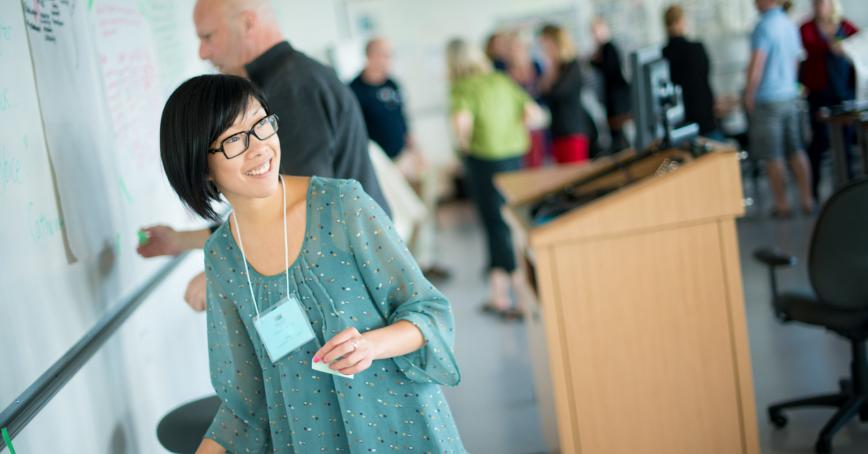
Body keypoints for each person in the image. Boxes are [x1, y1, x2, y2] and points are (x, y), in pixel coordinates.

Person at [159, 74, 464, 453]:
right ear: (200, 164)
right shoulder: (222, 259)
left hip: (399, 431)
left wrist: (371, 345)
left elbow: (431, 314)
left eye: (261, 124)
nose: (259, 148)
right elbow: (245, 403)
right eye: (234, 139)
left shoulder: (341, 206)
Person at [137, 0, 388, 311]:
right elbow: (270, 210)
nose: (203, 53)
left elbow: (299, 208)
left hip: (354, 281)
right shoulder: (292, 75)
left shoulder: (292, 87)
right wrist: (183, 241)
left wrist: (229, 271)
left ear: (247, 23)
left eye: (208, 37)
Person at [447, 38, 539, 320]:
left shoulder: (463, 87)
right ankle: (498, 294)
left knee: (496, 225)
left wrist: (462, 144)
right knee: (512, 220)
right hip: (514, 156)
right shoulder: (500, 79)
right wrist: (511, 130)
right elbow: (533, 114)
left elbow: (461, 122)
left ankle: (521, 299)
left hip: (485, 161)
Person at [349, 37, 451, 281]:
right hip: (380, 164)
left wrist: (417, 151)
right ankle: (403, 267)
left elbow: (404, 121)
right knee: (396, 215)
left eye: (389, 55)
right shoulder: (355, 89)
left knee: (422, 209)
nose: (387, 60)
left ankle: (424, 260)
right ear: (369, 56)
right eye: (382, 55)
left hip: (404, 156)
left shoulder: (393, 84)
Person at [745, 0, 815, 217]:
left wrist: (748, 94)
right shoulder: (788, 23)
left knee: (773, 154)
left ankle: (782, 204)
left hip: (768, 98)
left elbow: (757, 63)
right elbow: (796, 61)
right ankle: (807, 199)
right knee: (796, 150)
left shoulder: (763, 26)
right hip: (789, 95)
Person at [799, 0, 860, 200]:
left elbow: (857, 42)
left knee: (846, 139)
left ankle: (849, 186)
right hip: (819, 92)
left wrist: (841, 44)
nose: (820, 7)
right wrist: (832, 42)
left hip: (842, 91)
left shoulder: (843, 25)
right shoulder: (806, 28)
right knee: (819, 140)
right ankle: (814, 188)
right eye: (817, 4)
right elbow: (811, 48)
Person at [662, 5, 721, 139]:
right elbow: (705, 76)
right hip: (704, 113)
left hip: (680, 119)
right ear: (680, 22)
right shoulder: (697, 48)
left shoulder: (663, 55)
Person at [538, 24, 595, 163]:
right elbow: (542, 94)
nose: (544, 49)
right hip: (557, 132)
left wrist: (550, 70)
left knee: (576, 175)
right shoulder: (553, 67)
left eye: (546, 44)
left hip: (573, 130)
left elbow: (557, 93)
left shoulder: (572, 65)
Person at [590, 18, 631, 153]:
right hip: (613, 100)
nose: (595, 35)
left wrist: (595, 62)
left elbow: (610, 70)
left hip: (617, 101)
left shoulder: (609, 48)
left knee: (619, 135)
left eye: (597, 31)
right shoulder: (603, 50)